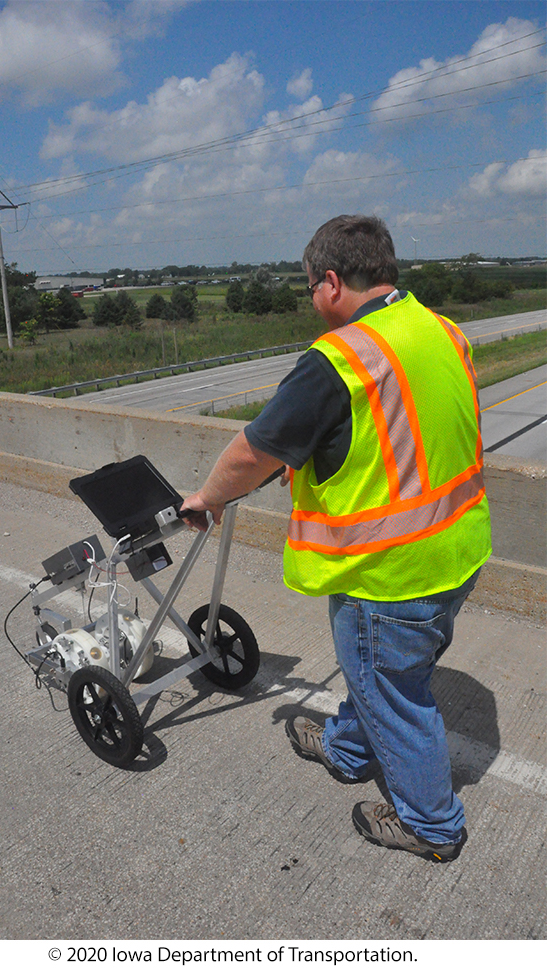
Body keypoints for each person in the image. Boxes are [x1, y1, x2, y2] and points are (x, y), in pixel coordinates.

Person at [180, 215, 491, 863]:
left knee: (393, 693)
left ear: (328, 283)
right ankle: (348, 751)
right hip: (456, 549)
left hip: (391, 571)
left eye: (308, 288)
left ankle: (433, 827)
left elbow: (248, 454)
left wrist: (206, 499)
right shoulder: (442, 330)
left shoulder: (340, 360)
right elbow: (412, 428)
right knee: (378, 674)